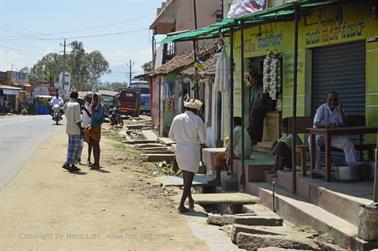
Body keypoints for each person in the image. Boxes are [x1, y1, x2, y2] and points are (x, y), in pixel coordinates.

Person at [169, 99, 206, 213]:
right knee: (189, 180)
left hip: (180, 150)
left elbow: (171, 136)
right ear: (196, 110)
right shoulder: (197, 120)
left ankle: (190, 200)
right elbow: (203, 139)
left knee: (186, 177)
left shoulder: (177, 118)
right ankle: (181, 204)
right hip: (192, 150)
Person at [311, 91, 357, 169]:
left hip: (333, 137)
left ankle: (352, 169)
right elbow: (316, 123)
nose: (333, 102)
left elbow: (345, 124)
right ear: (326, 100)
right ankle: (316, 170)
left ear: (338, 101)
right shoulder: (322, 108)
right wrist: (327, 125)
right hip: (320, 136)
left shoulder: (339, 109)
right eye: (330, 100)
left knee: (348, 143)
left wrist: (340, 110)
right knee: (313, 143)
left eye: (335, 100)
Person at [211, 117, 252, 185]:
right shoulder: (243, 130)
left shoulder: (236, 130)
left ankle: (218, 179)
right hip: (246, 153)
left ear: (234, 123)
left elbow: (230, 146)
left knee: (217, 157)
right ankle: (227, 170)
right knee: (224, 156)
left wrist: (226, 154)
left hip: (240, 154)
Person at [62, 91, 82, 172]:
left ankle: (72, 165)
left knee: (71, 147)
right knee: (74, 148)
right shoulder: (76, 105)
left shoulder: (67, 104)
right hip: (75, 129)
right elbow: (77, 120)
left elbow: (62, 110)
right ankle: (67, 163)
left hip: (69, 129)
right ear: (77, 97)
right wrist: (82, 129)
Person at [246, 70, 268, 145]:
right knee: (252, 120)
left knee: (256, 118)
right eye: (253, 80)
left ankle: (255, 138)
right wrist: (251, 110)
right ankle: (251, 136)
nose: (254, 81)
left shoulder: (262, 88)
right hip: (254, 108)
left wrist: (254, 108)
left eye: (256, 80)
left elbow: (261, 100)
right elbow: (252, 101)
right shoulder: (253, 89)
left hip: (261, 108)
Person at [85, 93, 105, 170]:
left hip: (96, 127)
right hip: (93, 126)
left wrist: (93, 109)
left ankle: (97, 163)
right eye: (94, 98)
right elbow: (91, 115)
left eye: (96, 98)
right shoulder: (94, 105)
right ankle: (95, 162)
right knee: (93, 144)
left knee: (96, 145)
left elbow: (98, 116)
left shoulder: (101, 106)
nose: (94, 100)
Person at [78, 93, 93, 166]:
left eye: (88, 98)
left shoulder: (93, 106)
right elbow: (82, 115)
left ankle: (89, 159)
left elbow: (91, 116)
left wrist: (85, 109)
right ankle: (78, 157)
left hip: (89, 127)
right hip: (83, 126)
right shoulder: (85, 104)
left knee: (90, 144)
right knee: (80, 143)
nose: (87, 99)